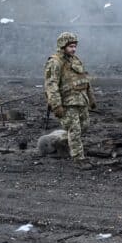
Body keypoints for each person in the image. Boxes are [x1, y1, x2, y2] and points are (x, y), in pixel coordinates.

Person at [44, 32, 96, 169]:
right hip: (67, 103)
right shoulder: (55, 62)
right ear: (63, 46)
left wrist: (91, 98)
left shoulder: (75, 60)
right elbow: (51, 85)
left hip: (81, 100)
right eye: (71, 46)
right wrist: (56, 105)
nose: (74, 49)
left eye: (75, 46)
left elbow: (85, 80)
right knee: (75, 130)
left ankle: (61, 141)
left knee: (85, 126)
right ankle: (79, 159)